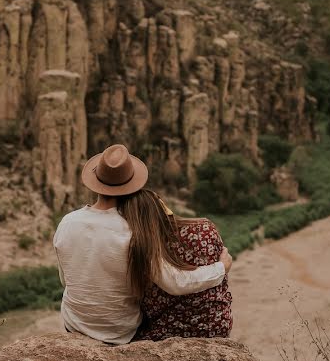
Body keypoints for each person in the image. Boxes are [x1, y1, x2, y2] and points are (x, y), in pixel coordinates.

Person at [53, 144, 233, 345]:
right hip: (119, 333)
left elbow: (65, 280)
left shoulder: (67, 222)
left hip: (74, 324)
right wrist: (220, 268)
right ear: (132, 185)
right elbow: (175, 283)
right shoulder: (134, 232)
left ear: (96, 182)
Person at [117, 190, 233, 341]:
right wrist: (222, 268)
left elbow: (176, 282)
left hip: (168, 330)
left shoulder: (145, 247)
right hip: (218, 324)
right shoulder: (205, 227)